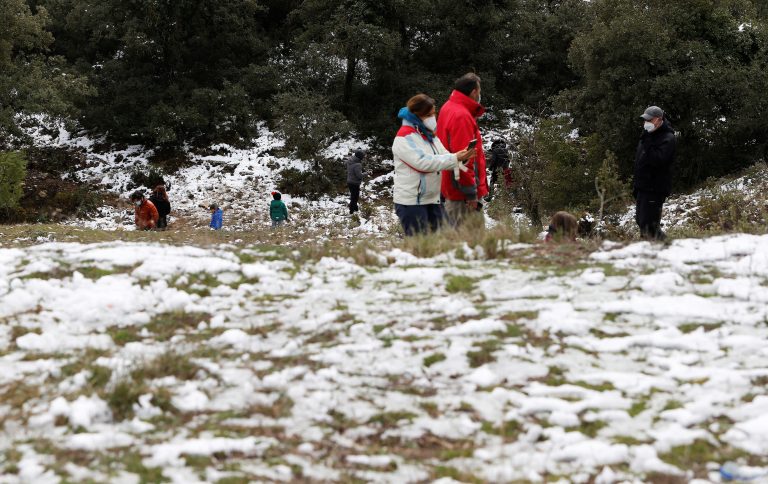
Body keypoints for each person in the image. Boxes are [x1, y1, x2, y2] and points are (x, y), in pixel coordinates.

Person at [392, 94, 475, 236]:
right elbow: (423, 163)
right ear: (417, 115)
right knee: (421, 245)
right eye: (429, 115)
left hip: (433, 199)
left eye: (434, 113)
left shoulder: (430, 136)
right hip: (411, 203)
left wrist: (462, 158)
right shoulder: (403, 138)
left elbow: (444, 156)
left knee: (447, 238)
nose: (433, 117)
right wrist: (455, 157)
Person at [437, 72, 489, 227]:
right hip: (462, 195)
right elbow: (464, 158)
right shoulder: (461, 116)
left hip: (452, 187)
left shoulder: (448, 107)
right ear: (474, 92)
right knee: (471, 238)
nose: (479, 95)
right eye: (479, 91)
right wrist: (470, 193)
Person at [634, 105, 676, 240]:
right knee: (640, 221)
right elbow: (640, 161)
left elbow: (658, 160)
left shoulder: (668, 138)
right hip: (643, 187)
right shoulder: (647, 136)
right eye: (645, 120)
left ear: (658, 119)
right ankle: (649, 246)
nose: (646, 123)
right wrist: (637, 186)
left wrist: (648, 143)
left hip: (655, 188)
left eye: (649, 120)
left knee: (649, 225)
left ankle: (666, 246)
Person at [346, 149, 365, 214]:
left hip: (349, 181)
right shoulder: (358, 165)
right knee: (355, 197)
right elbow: (359, 176)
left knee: (353, 196)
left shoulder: (350, 160)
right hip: (355, 183)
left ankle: (355, 208)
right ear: (360, 158)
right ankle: (351, 211)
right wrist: (367, 173)